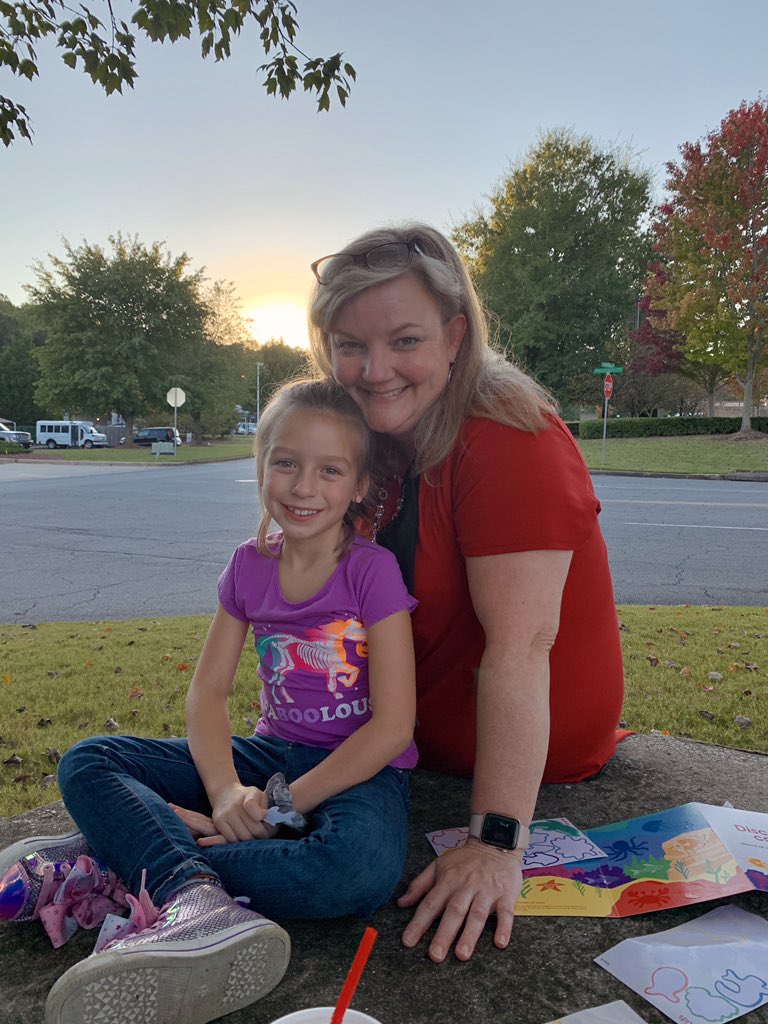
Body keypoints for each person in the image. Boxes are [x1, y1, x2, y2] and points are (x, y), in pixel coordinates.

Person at [0, 379, 418, 1024]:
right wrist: (225, 794)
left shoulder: (371, 571)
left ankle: (121, 859)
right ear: (262, 466)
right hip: (267, 754)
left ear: (360, 484)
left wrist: (279, 808)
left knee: (355, 871)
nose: (305, 487)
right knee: (90, 760)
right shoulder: (249, 565)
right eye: (286, 463)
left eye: (330, 470)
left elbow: (392, 727)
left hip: (359, 771)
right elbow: (208, 692)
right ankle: (194, 897)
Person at [307, 224, 625, 964]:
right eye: (350, 345)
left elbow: (522, 647)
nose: (374, 369)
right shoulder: (373, 437)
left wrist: (496, 845)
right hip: (398, 732)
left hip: (519, 749)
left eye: (404, 341)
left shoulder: (508, 435)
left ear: (455, 336)